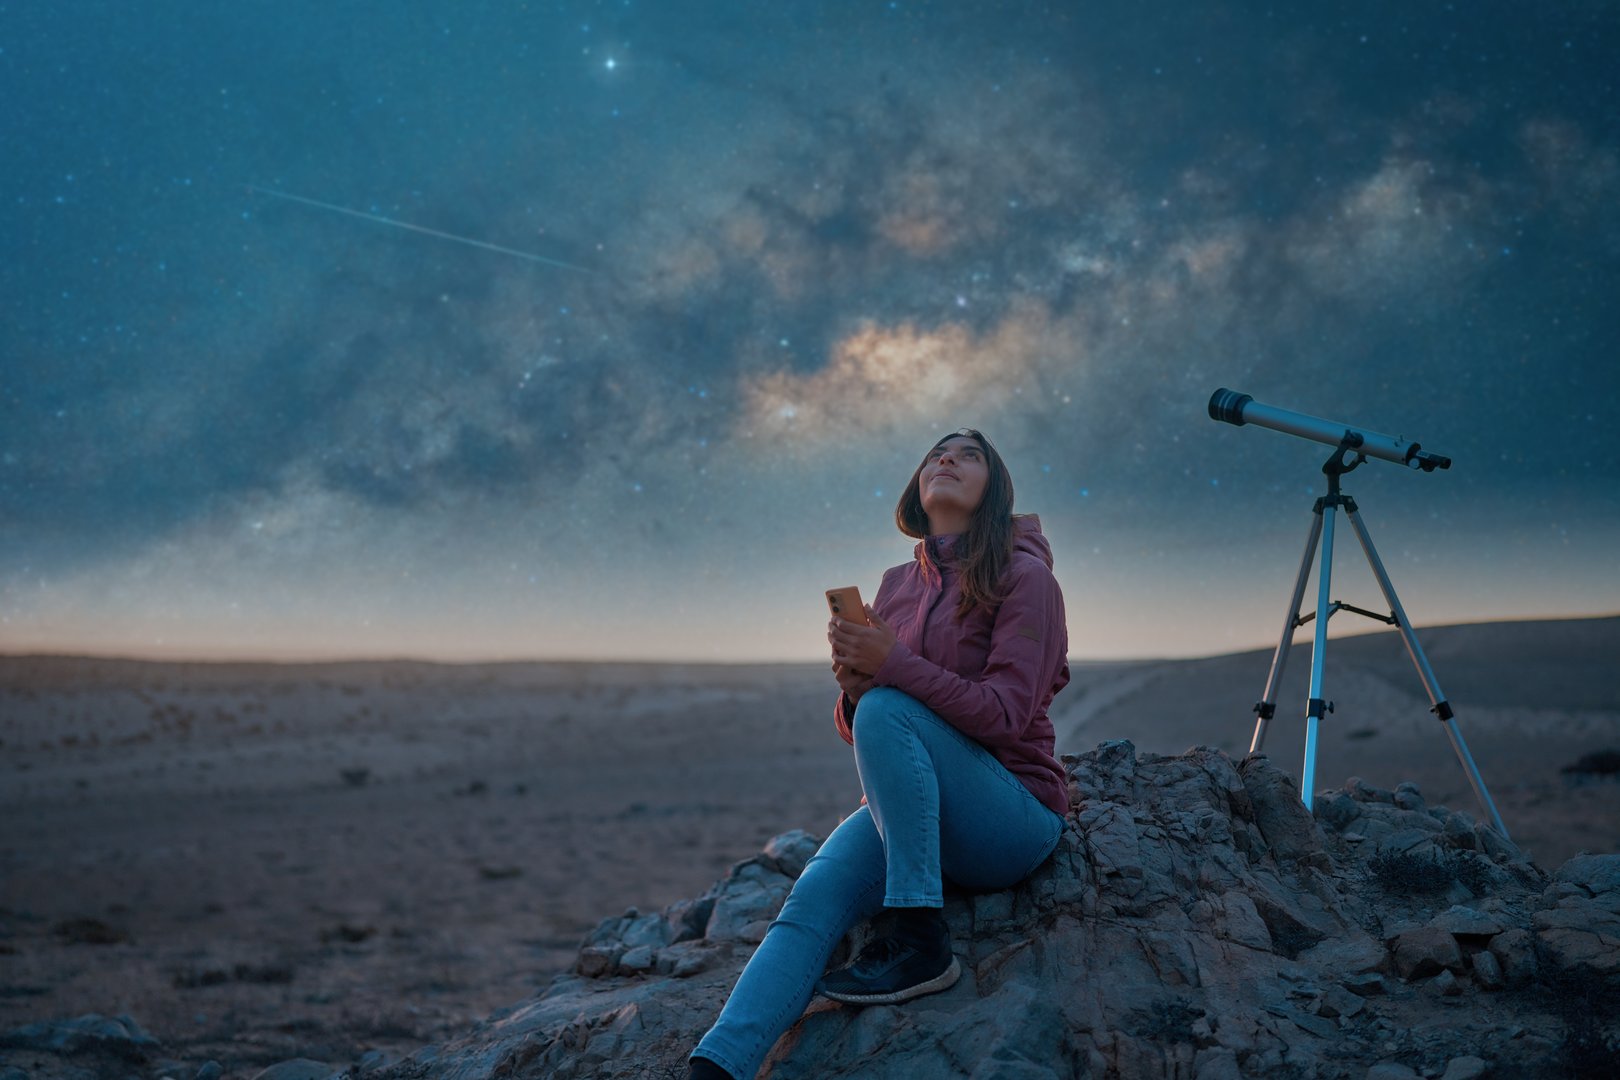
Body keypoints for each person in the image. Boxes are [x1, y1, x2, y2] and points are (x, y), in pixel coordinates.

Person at [688, 429, 1072, 1080]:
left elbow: (1006, 715)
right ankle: (717, 1066)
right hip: (918, 813)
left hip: (1011, 815)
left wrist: (891, 669)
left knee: (892, 705)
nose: (945, 459)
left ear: (995, 490)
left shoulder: (1026, 576)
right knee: (810, 900)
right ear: (917, 487)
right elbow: (873, 727)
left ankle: (920, 939)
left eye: (968, 455)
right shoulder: (897, 584)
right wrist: (854, 688)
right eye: (935, 454)